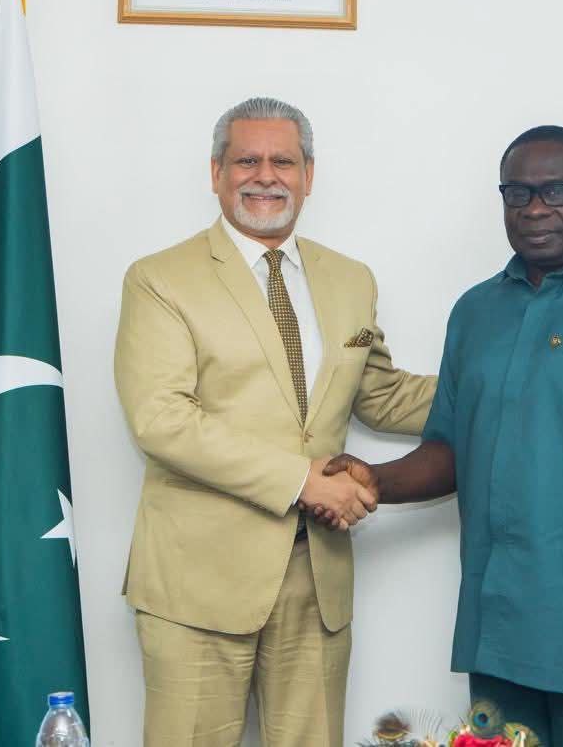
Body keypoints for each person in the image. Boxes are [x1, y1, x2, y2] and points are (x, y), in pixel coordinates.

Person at [313, 126, 563, 746]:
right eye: (518, 193)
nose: (534, 208)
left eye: (557, 191)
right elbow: (452, 450)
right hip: (496, 630)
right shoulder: (475, 312)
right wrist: (376, 480)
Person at [114, 97, 435, 747]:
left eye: (283, 162)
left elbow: (380, 394)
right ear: (216, 172)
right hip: (196, 584)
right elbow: (161, 418)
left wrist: (504, 389)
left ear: (308, 175)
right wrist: (302, 481)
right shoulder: (159, 280)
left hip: (317, 579)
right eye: (247, 161)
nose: (266, 176)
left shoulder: (350, 280)